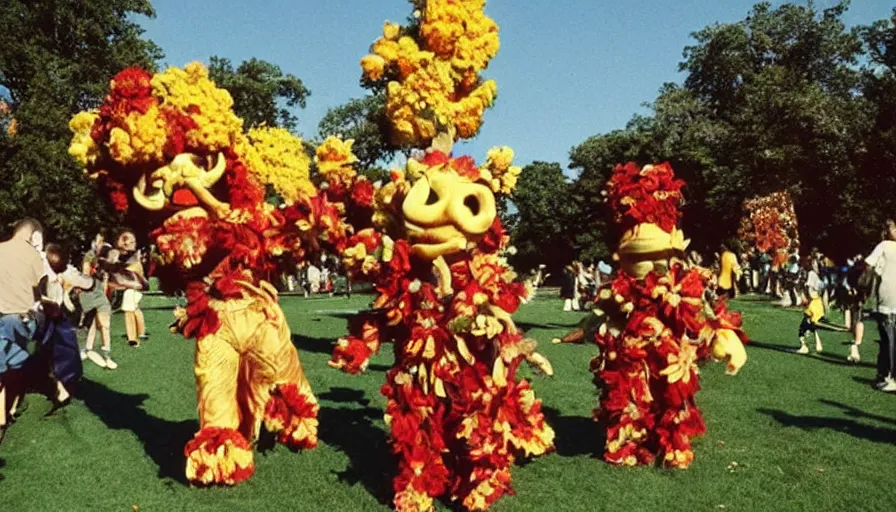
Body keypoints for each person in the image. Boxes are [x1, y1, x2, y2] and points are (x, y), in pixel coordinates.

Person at [0, 219, 45, 443]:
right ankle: (10, 409)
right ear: (33, 234)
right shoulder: (32, 256)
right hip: (21, 318)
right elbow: (39, 289)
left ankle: (3, 413)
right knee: (15, 367)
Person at [864, 219, 896, 392]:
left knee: (888, 340)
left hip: (888, 298)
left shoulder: (884, 245)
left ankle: (888, 377)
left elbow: (868, 265)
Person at [115, 231, 149, 347]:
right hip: (135, 286)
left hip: (131, 286)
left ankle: (132, 338)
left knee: (128, 311)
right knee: (135, 309)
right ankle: (141, 332)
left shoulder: (129, 256)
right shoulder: (133, 255)